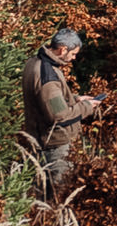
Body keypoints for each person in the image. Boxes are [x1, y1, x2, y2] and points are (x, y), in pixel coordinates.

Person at [19, 28, 99, 200]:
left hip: (41, 140)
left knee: (41, 195)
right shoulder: (48, 75)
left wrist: (75, 99)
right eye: (73, 53)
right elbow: (59, 116)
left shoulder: (35, 62)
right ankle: (49, 225)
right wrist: (87, 106)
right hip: (54, 145)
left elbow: (47, 100)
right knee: (57, 197)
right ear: (63, 49)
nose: (74, 58)